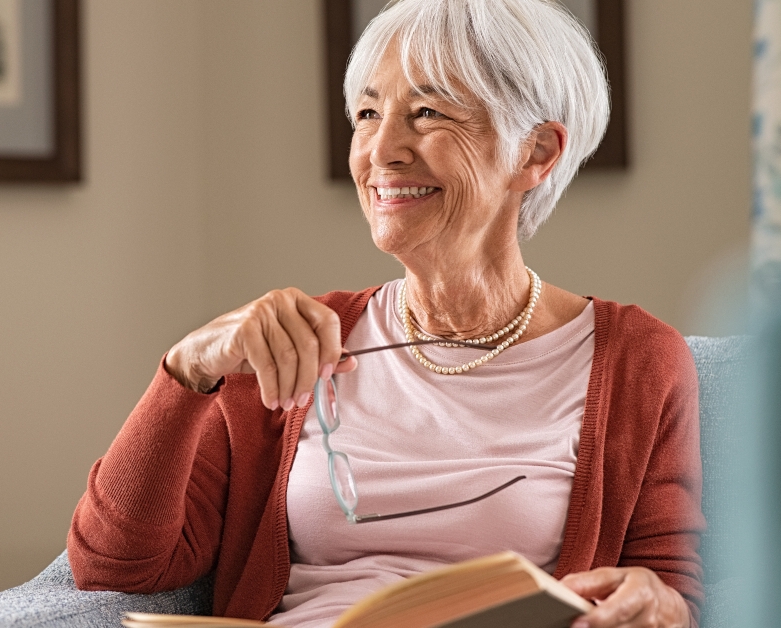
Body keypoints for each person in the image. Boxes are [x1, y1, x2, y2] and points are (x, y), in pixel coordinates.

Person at [67, 1, 703, 627]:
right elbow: (113, 563)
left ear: (535, 152)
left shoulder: (637, 361)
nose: (382, 151)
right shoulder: (293, 343)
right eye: (368, 114)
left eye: (427, 113)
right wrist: (187, 369)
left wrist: (656, 603)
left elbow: (670, 591)